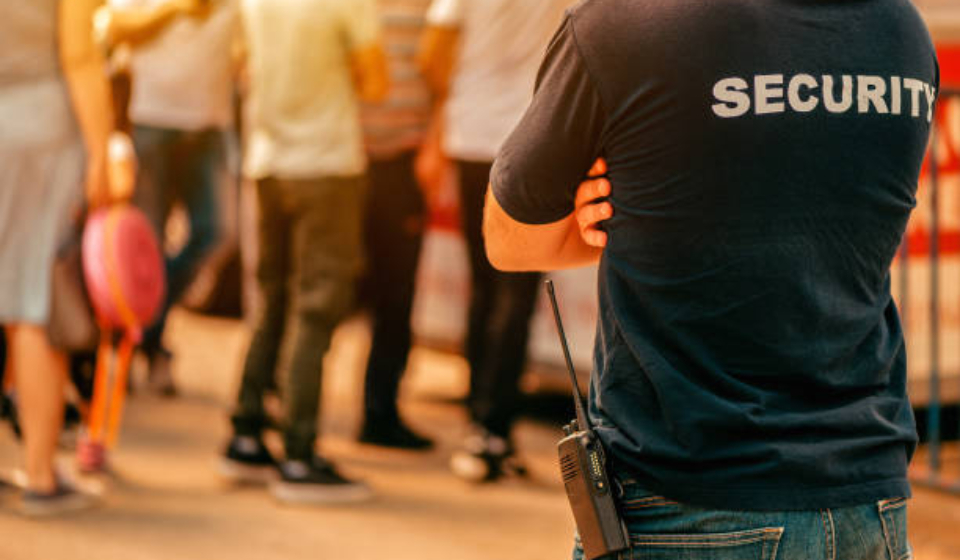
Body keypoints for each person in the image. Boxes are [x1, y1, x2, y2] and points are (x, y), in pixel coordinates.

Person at [484, 1, 939, 558]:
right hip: (868, 498)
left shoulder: (622, 23)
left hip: (689, 499)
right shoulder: (900, 29)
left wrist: (611, 221)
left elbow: (507, 238)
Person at [219, 0, 388, 504]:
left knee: (272, 299)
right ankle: (298, 453)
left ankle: (246, 433)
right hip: (327, 164)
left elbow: (238, 63)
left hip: (268, 161)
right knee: (316, 307)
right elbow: (376, 84)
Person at [418, 0, 570, 481]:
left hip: (472, 133)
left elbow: (432, 51)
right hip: (531, 140)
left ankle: (477, 420)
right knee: (517, 290)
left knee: (484, 284)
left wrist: (451, 99)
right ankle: (493, 429)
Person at [0, 0, 118, 515]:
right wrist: (103, 149)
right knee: (34, 301)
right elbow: (80, 54)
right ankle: (41, 476)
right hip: (41, 128)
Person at [101, 0, 240, 396]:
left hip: (211, 125)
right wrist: (176, 8)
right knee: (143, 246)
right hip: (152, 120)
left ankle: (143, 327)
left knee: (217, 233)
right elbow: (113, 28)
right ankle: (138, 341)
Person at [356, 0, 435, 451]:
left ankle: (380, 411)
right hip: (347, 159)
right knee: (332, 291)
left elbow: (441, 70)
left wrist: (433, 141)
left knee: (396, 294)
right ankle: (291, 409)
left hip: (404, 162)